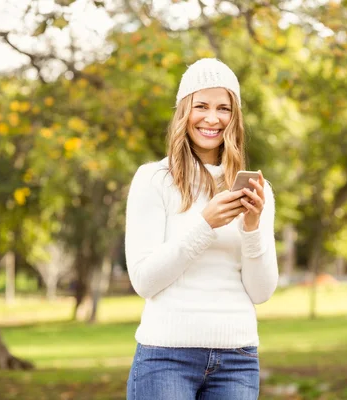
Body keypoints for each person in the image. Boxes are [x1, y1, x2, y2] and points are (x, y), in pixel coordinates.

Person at [124, 58, 279, 400]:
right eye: (202, 106)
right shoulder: (154, 180)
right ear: (184, 111)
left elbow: (261, 291)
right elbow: (144, 280)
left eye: (224, 108)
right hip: (166, 357)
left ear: (234, 117)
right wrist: (205, 223)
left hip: (237, 360)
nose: (212, 118)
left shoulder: (256, 191)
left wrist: (251, 228)